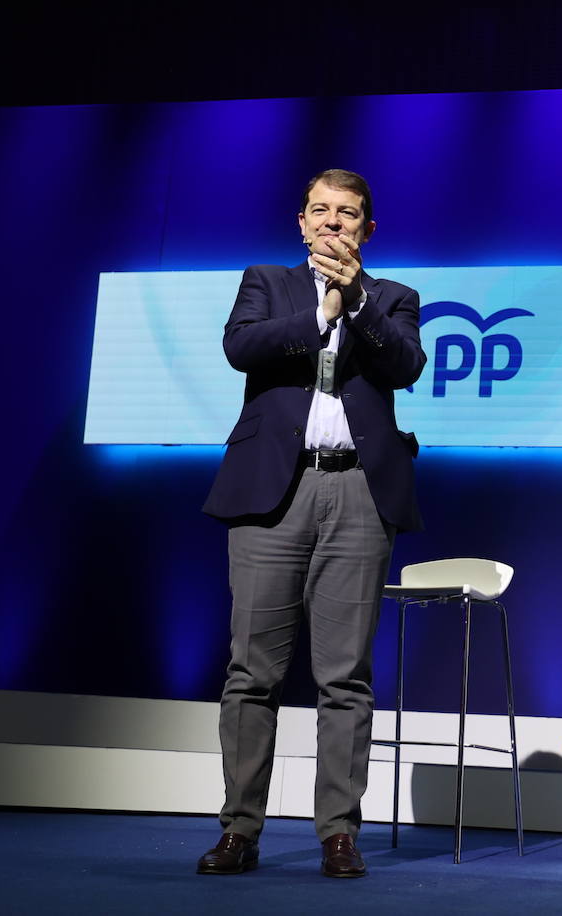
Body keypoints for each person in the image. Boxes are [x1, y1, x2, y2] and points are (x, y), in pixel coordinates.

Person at [197, 168, 426, 879]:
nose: (333, 222)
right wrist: (320, 314)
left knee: (345, 676)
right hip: (273, 493)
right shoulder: (267, 281)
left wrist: (354, 301)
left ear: (368, 228)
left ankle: (338, 833)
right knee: (252, 673)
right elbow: (243, 347)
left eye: (348, 213)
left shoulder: (393, 298)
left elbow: (406, 364)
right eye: (321, 211)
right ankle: (239, 830)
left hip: (358, 492)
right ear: (301, 222)